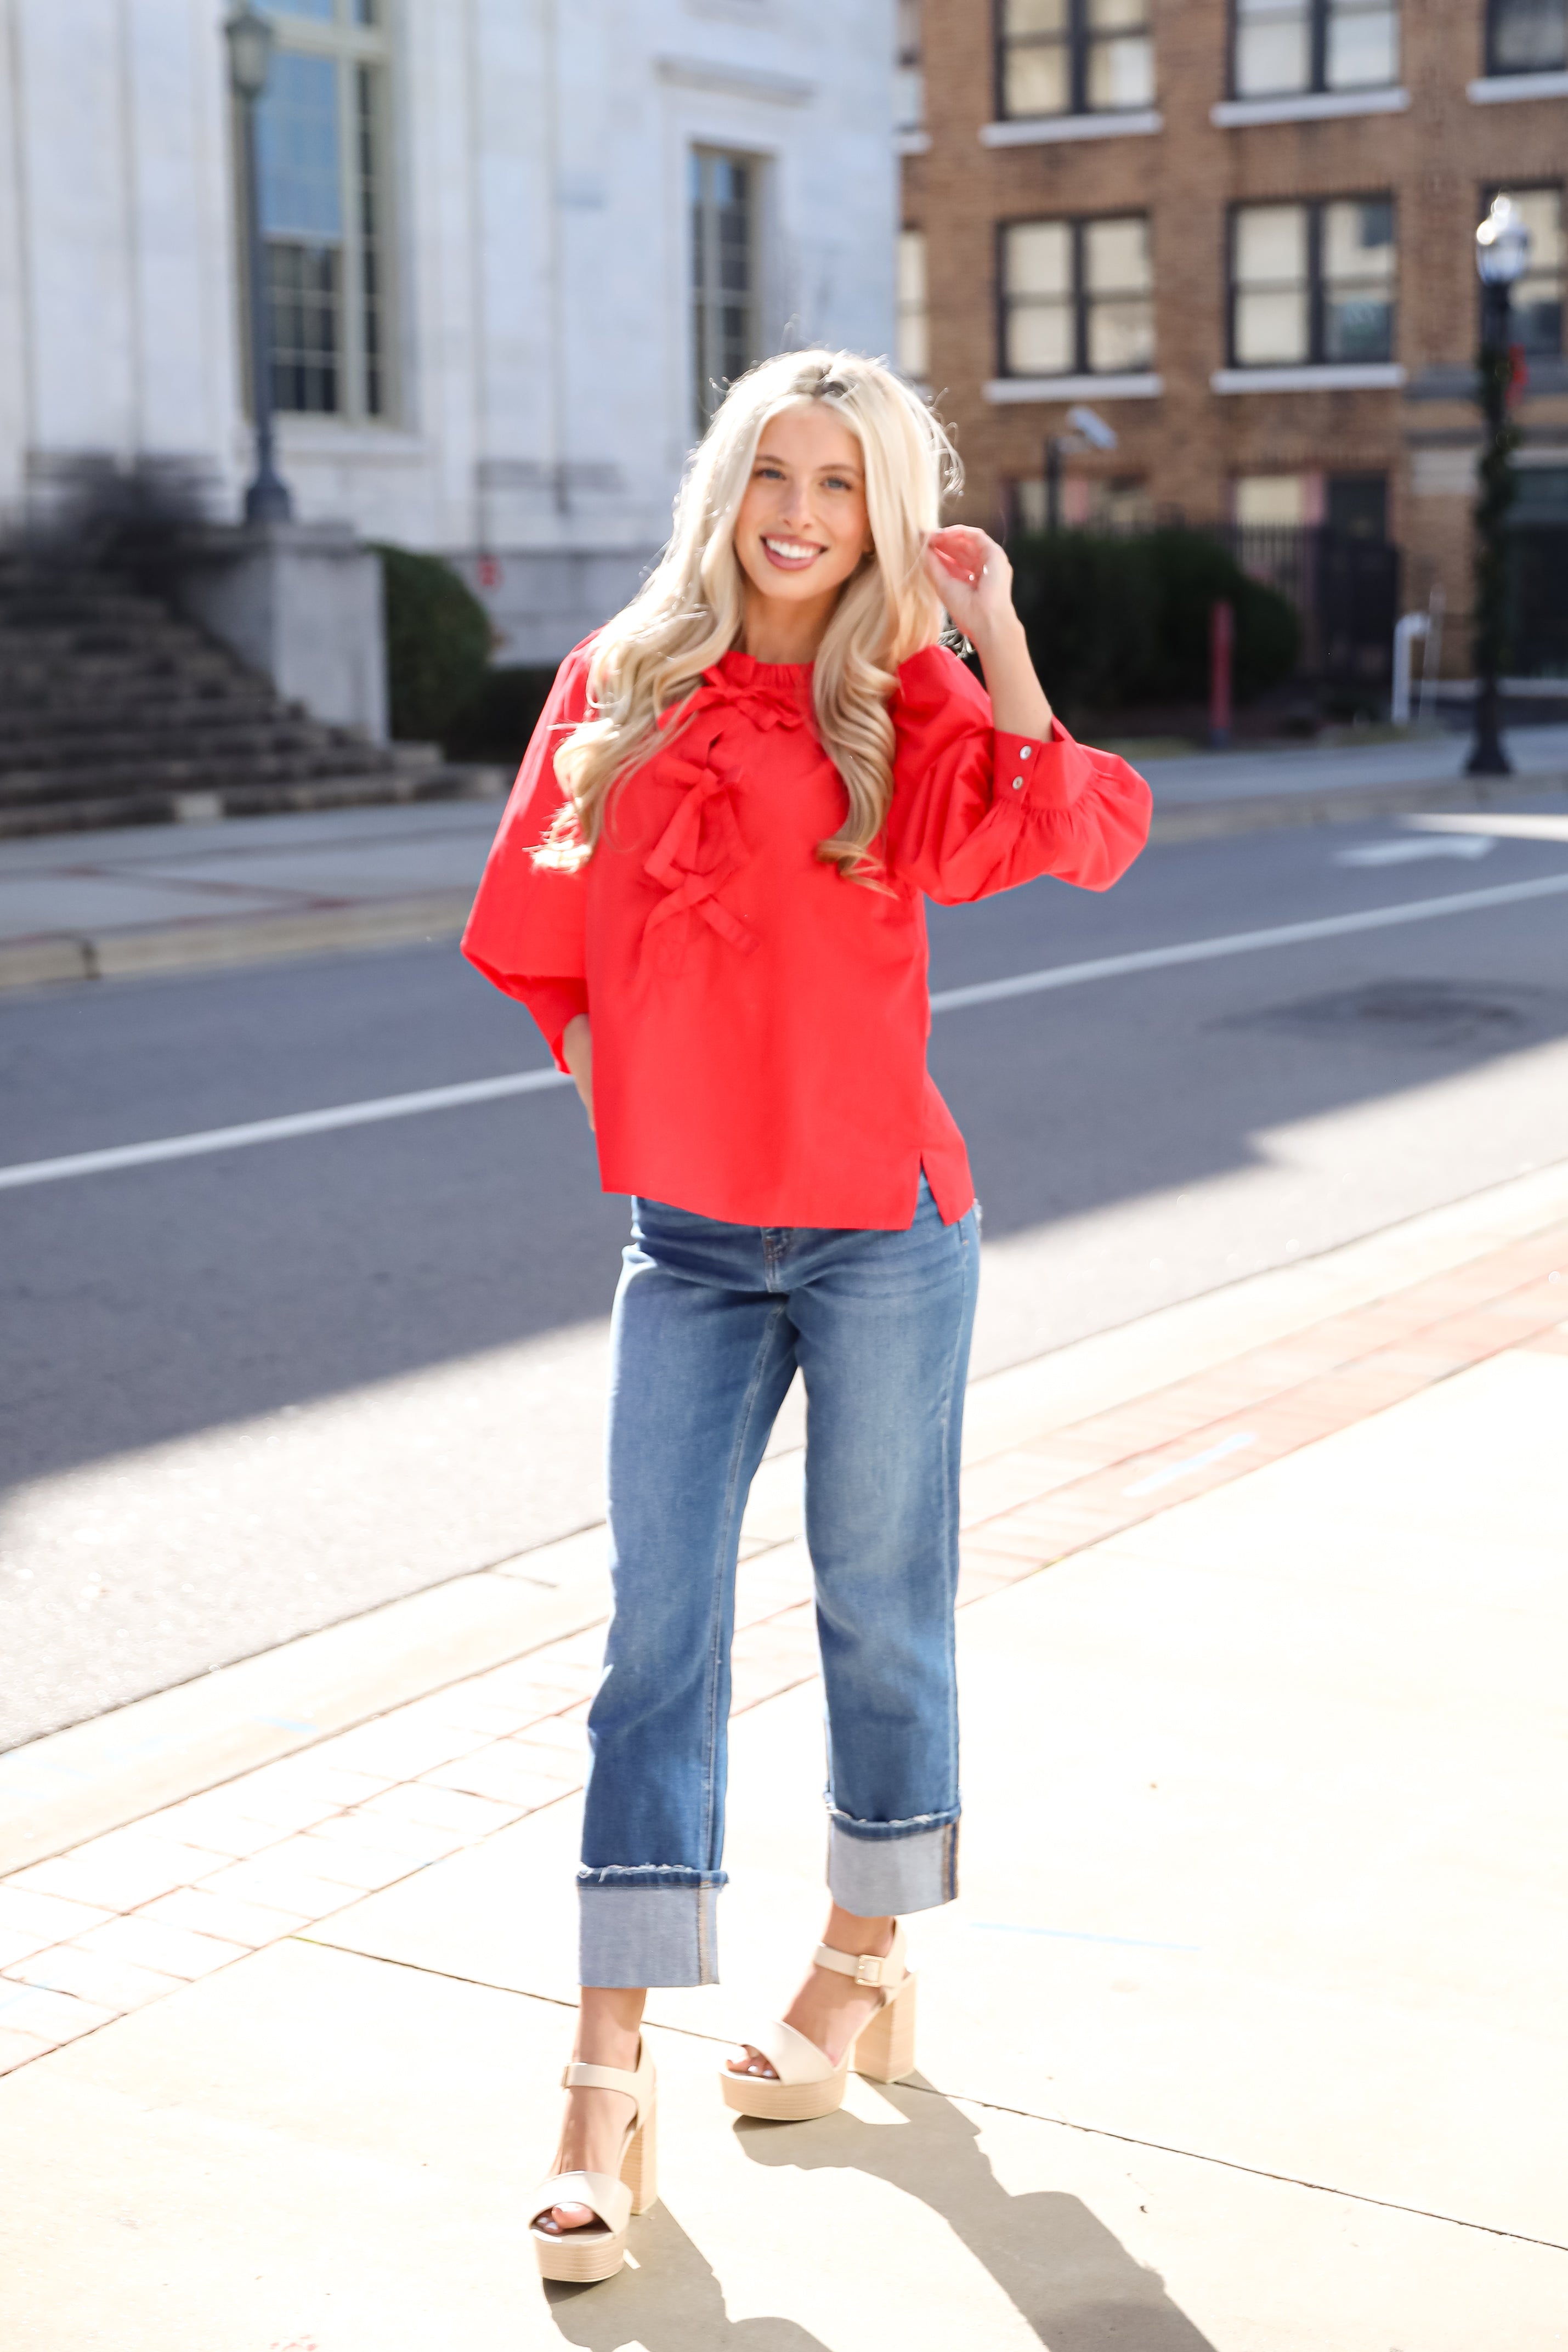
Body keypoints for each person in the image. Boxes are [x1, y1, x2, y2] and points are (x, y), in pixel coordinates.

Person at [462, 348, 1151, 2284]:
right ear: (727, 484)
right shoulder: (623, 676)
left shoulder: (898, 690)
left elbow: (1075, 829)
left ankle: (859, 1965)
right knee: (651, 1639)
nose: (798, 511)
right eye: (774, 470)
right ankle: (606, 2080)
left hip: (882, 1232)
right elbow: (534, 929)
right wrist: (640, 1082)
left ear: (881, 510)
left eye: (840, 484)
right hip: (687, 1242)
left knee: (879, 1606)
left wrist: (992, 628)